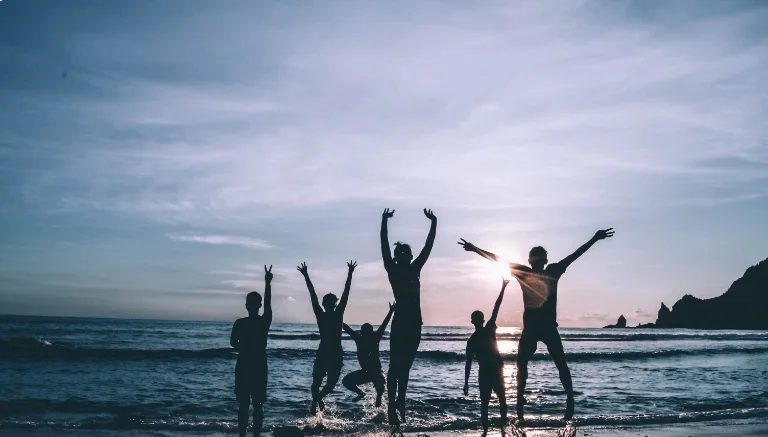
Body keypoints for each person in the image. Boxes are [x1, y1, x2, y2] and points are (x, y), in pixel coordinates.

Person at [458, 228, 614, 423]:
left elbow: (575, 255)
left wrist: (594, 238)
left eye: (541, 257)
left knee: (559, 363)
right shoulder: (525, 272)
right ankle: (521, 402)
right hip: (531, 329)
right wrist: (475, 249)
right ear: (531, 260)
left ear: (543, 260)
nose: (538, 260)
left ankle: (569, 398)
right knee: (523, 363)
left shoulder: (552, 271)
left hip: (547, 328)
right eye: (536, 257)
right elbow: (497, 258)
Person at [380, 208, 437, 425]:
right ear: (396, 257)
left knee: (404, 368)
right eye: (400, 255)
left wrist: (434, 222)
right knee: (396, 367)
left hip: (414, 324)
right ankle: (393, 405)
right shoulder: (393, 270)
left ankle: (399, 402)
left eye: (406, 255)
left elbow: (428, 246)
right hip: (402, 323)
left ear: (410, 257)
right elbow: (384, 246)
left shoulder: (415, 269)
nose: (403, 257)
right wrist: (384, 221)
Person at [297, 260, 357, 415]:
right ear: (327, 304)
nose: (329, 303)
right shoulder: (326, 315)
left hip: (330, 352)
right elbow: (314, 295)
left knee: (326, 384)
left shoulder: (333, 314)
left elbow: (344, 294)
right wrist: (306, 275)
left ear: (330, 304)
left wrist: (306, 275)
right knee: (320, 383)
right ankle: (317, 400)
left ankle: (316, 400)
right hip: (329, 352)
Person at [230, 265, 273, 437]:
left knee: (244, 404)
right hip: (258, 364)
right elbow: (269, 304)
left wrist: (245, 347)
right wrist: (268, 283)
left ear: (247, 305)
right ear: (258, 305)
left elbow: (233, 343)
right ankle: (255, 434)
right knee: (258, 404)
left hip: (245, 364)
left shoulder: (240, 323)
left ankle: (243, 434)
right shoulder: (263, 321)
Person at [464, 278, 510, 435]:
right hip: (491, 371)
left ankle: (491, 429)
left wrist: (503, 287)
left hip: (491, 371)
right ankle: (495, 428)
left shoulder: (478, 336)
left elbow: (497, 307)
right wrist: (465, 383)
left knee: (492, 402)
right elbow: (468, 363)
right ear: (478, 321)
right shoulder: (479, 335)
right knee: (496, 402)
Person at [341, 302, 396, 407]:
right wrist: (391, 311)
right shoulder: (365, 338)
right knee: (346, 381)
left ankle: (378, 397)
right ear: (363, 332)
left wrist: (391, 312)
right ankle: (361, 393)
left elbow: (384, 325)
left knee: (380, 389)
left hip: (376, 371)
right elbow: (347, 328)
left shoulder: (371, 338)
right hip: (365, 372)